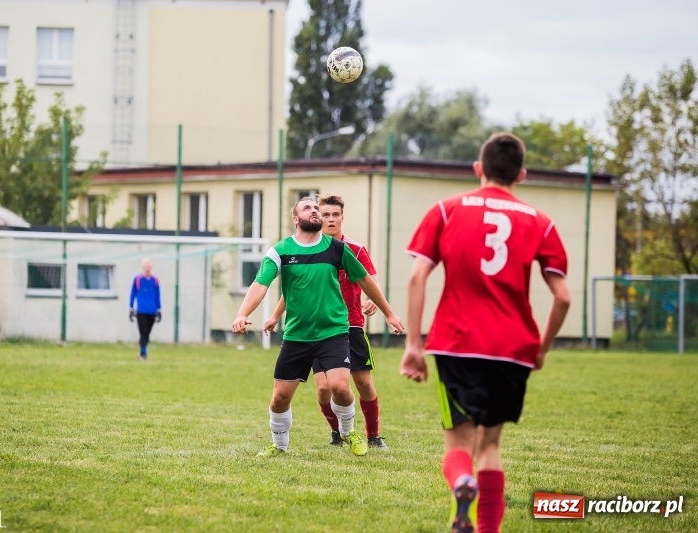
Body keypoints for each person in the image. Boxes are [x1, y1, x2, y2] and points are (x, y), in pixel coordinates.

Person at [400, 132, 571, 533]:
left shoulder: (445, 210)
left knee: (459, 445)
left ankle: (462, 481)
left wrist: (413, 345)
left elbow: (417, 277)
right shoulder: (541, 222)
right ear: (522, 175)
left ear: (478, 168)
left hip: (455, 344)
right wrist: (542, 348)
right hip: (512, 348)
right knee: (490, 446)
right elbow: (563, 297)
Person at [232, 197, 404, 458]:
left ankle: (348, 432)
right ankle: (279, 445)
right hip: (297, 336)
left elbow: (365, 280)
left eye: (315, 208)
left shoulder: (337, 249)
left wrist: (389, 313)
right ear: (295, 218)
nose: (314, 211)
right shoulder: (280, 251)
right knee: (280, 398)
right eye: (307, 208)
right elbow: (260, 284)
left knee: (340, 387)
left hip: (334, 332)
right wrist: (243, 313)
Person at [263, 194, 389, 449]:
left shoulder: (353, 249)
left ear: (342, 218)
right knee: (323, 390)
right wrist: (276, 315)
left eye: (335, 215)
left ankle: (373, 435)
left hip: (350, 324)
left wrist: (375, 302)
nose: (330, 219)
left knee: (362, 383)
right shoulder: (300, 248)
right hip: (314, 330)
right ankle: (337, 432)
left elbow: (369, 280)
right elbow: (295, 288)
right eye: (325, 214)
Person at [129, 258, 162, 361]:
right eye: (145, 266)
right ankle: (143, 353)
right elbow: (133, 293)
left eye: (149, 266)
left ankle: (141, 350)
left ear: (151, 267)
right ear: (142, 267)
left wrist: (159, 309)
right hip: (141, 310)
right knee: (143, 332)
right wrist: (131, 308)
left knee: (147, 333)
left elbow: (157, 295)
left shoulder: (155, 280)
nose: (147, 268)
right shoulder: (138, 279)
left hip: (152, 310)